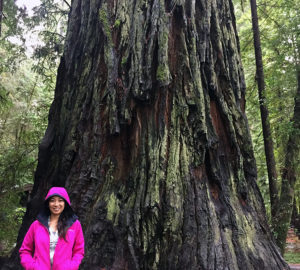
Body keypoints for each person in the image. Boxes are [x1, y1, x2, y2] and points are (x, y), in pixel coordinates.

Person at [19, 187, 84, 270]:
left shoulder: (75, 225)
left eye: (60, 200)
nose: (56, 204)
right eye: (52, 200)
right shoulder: (36, 225)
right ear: (48, 203)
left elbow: (79, 251)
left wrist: (71, 267)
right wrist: (32, 267)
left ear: (65, 203)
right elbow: (25, 250)